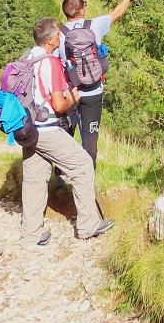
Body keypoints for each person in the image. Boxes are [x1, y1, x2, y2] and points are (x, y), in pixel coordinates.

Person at [19, 17, 113, 246]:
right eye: (58, 36)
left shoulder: (26, 57)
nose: (61, 38)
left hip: (26, 128)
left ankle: (31, 235)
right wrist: (74, 97)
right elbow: (59, 105)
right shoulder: (50, 63)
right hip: (46, 128)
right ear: (50, 40)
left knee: (34, 179)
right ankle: (88, 225)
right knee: (82, 164)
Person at [58, 0, 142, 163]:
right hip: (94, 92)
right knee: (90, 139)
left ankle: (60, 180)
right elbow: (117, 13)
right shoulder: (94, 25)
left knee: (65, 138)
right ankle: (88, 179)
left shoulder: (58, 34)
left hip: (70, 94)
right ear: (82, 10)